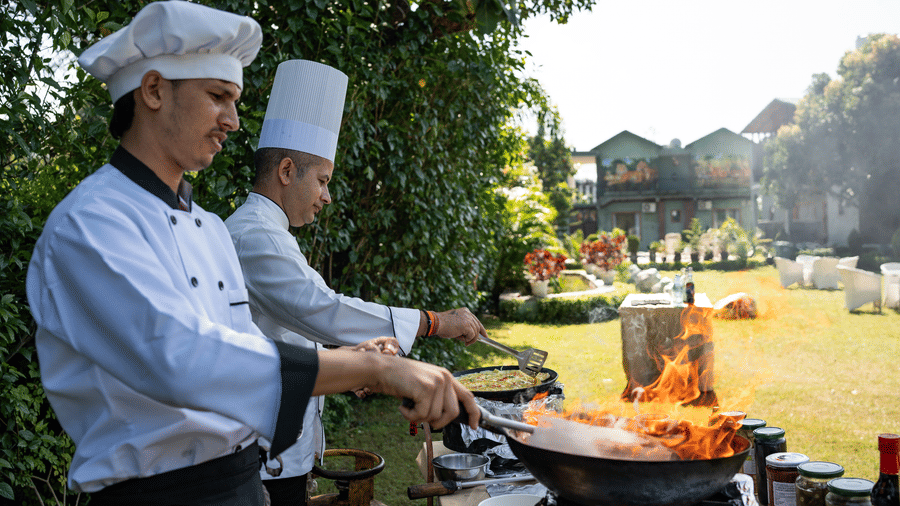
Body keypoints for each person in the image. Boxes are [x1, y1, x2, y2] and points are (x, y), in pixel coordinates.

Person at [25, 3, 477, 505]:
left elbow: (243, 347)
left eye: (235, 100)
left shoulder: (210, 229)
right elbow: (186, 359)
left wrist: (351, 359)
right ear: (153, 90)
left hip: (242, 482)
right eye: (219, 97)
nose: (234, 122)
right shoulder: (91, 223)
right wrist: (377, 369)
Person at [224, 59, 488, 505]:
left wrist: (350, 359)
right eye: (323, 181)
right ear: (287, 172)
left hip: (282, 445)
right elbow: (321, 309)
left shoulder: (269, 232)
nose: (327, 195)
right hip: (266, 452)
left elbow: (279, 333)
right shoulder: (254, 236)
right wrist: (434, 322)